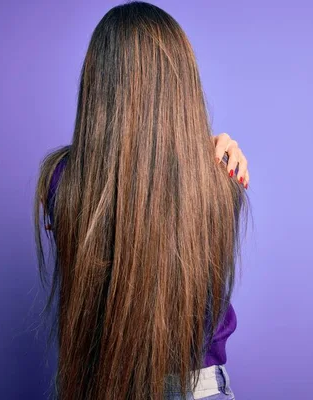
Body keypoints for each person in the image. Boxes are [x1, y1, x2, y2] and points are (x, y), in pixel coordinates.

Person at [34, 2, 249, 399]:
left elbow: (129, 190)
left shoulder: (62, 181)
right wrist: (206, 152)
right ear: (183, 83)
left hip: (100, 386)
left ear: (97, 85)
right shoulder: (221, 180)